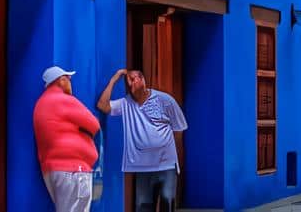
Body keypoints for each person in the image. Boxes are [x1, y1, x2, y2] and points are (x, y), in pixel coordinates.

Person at [98, 68, 188, 211]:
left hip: (166, 166)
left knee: (167, 204)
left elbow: (179, 129)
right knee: (143, 207)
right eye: (128, 81)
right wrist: (114, 79)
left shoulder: (165, 100)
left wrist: (166, 151)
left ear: (143, 80)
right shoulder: (126, 103)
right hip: (142, 168)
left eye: (134, 79)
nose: (131, 83)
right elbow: (103, 106)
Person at [34, 65, 101, 212]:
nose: (71, 83)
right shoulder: (64, 100)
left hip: (53, 171)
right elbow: (95, 125)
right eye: (69, 79)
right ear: (61, 81)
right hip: (74, 170)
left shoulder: (41, 103)